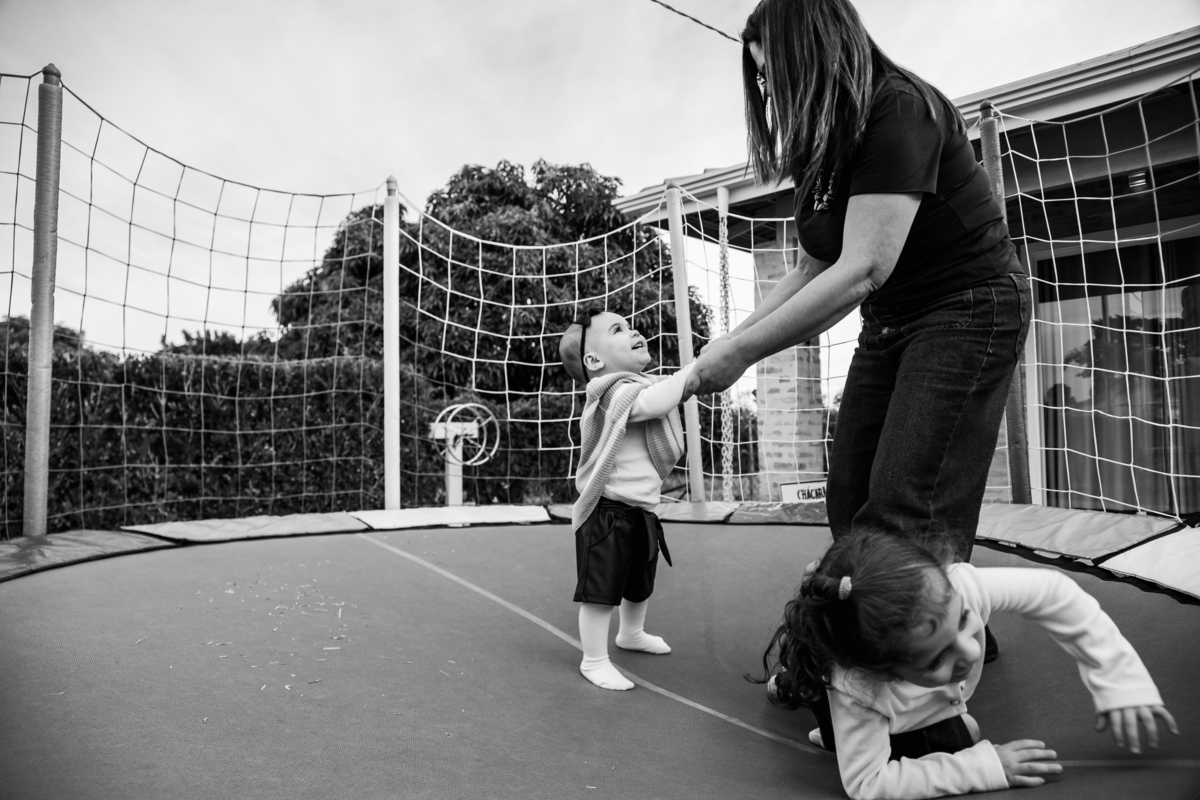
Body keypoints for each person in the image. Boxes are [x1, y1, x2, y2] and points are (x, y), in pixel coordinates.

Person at [687, 0, 1032, 574]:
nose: (770, 91)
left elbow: (862, 268)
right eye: (764, 80)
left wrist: (742, 353)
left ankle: (910, 648)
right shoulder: (822, 142)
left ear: (811, 52)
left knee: (904, 505)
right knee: (848, 498)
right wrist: (730, 346)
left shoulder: (897, 108)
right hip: (891, 318)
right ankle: (937, 633)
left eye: (775, 72)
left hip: (968, 308)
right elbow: (811, 267)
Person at [753, 530, 1177, 799]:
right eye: (937, 657)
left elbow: (1056, 592)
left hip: (897, 689)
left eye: (963, 622)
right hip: (837, 687)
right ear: (884, 671)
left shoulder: (955, 587)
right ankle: (795, 682)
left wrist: (1120, 681)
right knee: (826, 698)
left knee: (949, 735)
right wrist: (983, 767)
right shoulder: (860, 687)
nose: (971, 652)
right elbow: (867, 783)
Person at [558, 308, 695, 690]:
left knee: (639, 582)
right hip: (607, 513)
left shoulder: (639, 386)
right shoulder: (609, 394)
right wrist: (694, 370)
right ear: (595, 360)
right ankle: (594, 659)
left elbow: (657, 395)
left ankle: (631, 634)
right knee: (602, 594)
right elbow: (656, 402)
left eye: (630, 324)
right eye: (618, 329)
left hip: (642, 510)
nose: (633, 330)